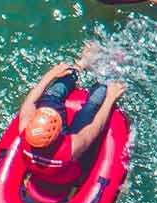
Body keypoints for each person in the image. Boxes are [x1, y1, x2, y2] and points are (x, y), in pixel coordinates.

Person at [18, 47, 126, 185]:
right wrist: (111, 98)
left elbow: (30, 102)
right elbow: (96, 126)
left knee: (51, 97)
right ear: (58, 132)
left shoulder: (25, 130)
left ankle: (81, 65)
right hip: (67, 173)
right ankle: (107, 77)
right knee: (91, 108)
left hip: (47, 152)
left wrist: (51, 75)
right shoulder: (72, 148)